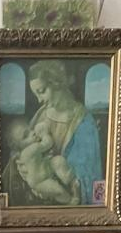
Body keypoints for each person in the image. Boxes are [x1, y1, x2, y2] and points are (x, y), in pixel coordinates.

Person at [26, 60, 102, 205]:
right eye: (36, 94)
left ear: (56, 83)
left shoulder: (83, 121)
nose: (39, 100)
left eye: (41, 91)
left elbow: (89, 172)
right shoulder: (41, 114)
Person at [3, 117, 80, 205]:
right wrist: (44, 133)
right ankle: (70, 201)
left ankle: (69, 180)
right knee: (56, 189)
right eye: (26, 136)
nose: (32, 133)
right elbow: (48, 143)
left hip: (46, 167)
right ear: (19, 147)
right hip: (39, 182)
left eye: (30, 129)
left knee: (58, 161)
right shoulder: (30, 150)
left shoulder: (28, 149)